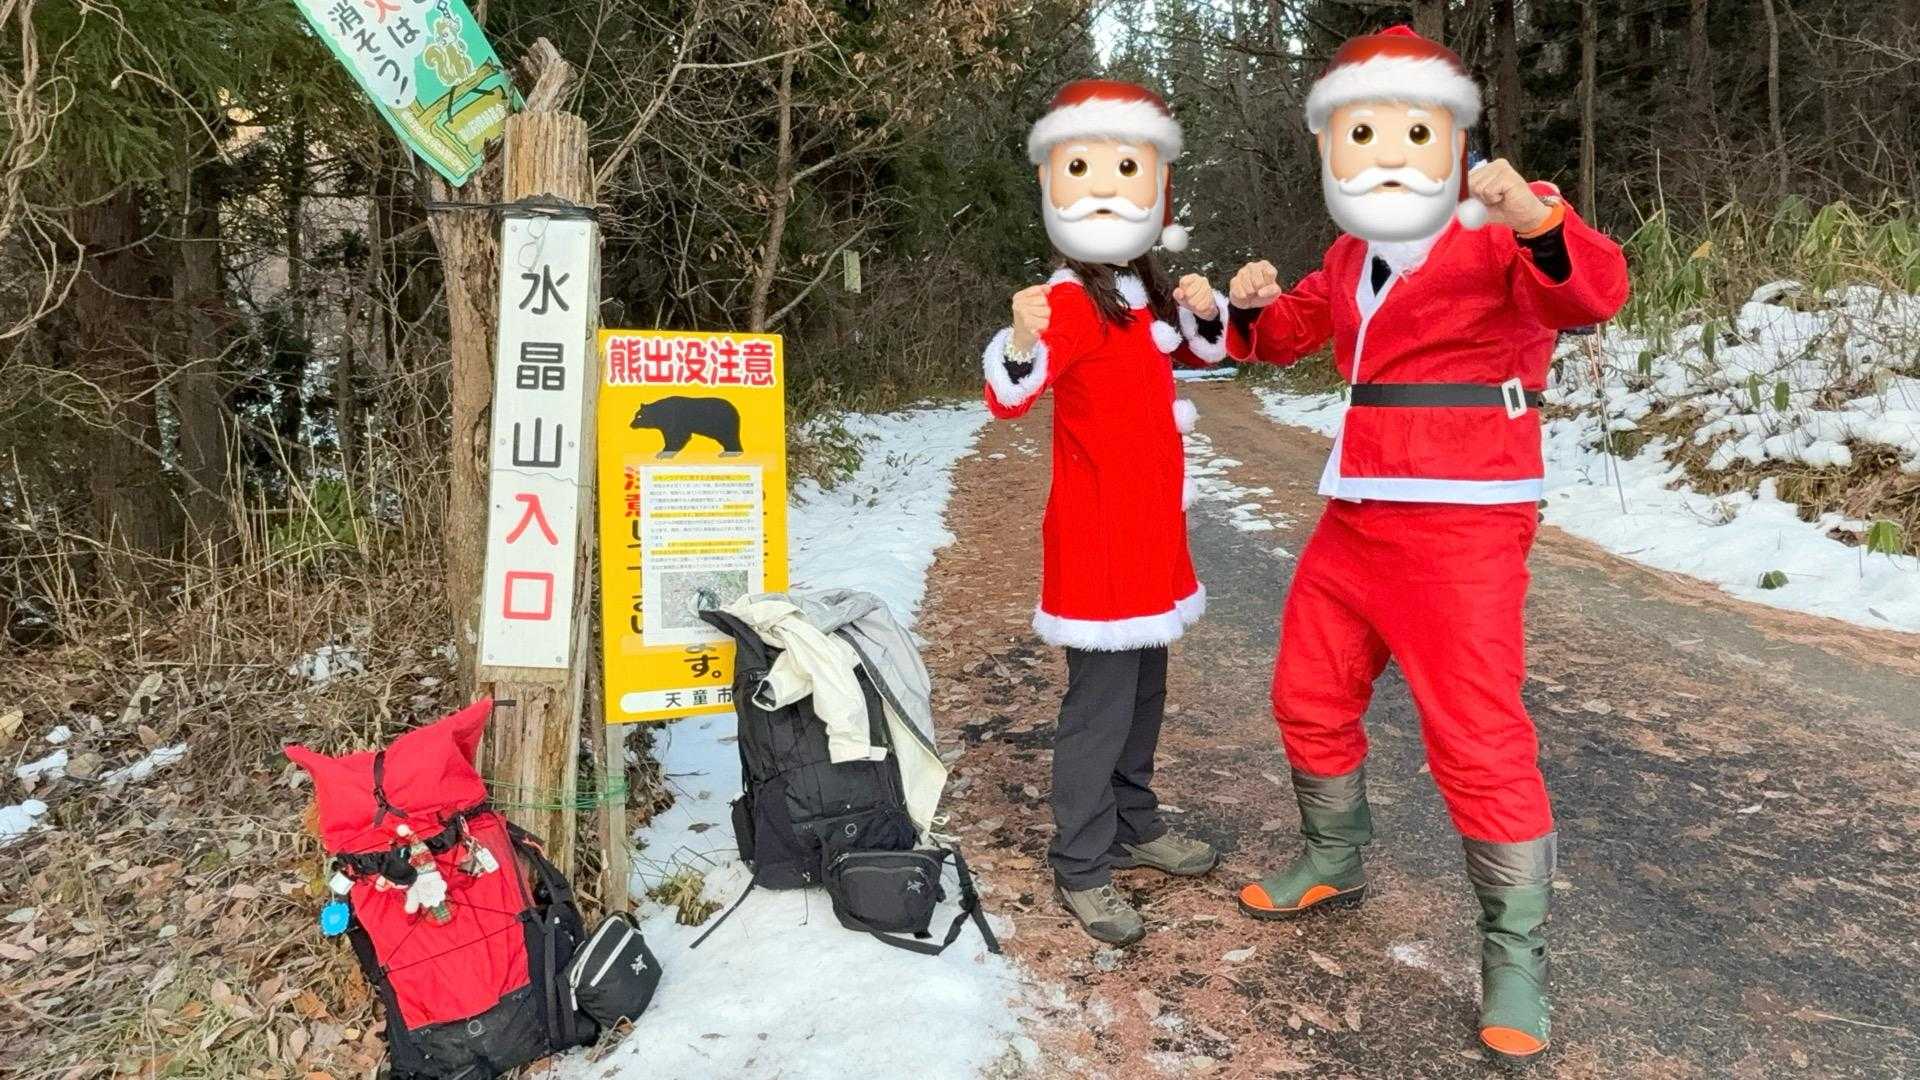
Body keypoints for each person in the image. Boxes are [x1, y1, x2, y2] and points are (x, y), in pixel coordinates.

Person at [1222, 26, 1630, 1062]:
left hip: (1465, 520)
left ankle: (1516, 956)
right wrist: (1245, 305)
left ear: (1454, 137)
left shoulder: (1501, 226)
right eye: (1360, 133)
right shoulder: (1351, 253)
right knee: (1306, 693)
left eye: (1414, 129)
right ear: (1332, 149)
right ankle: (1333, 858)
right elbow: (1283, 336)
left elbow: (1590, 293)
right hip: (1354, 512)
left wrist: (1537, 216)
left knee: (1477, 739)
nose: (1388, 153)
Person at [982, 79, 1229, 946]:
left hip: (1149, 537)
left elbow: (1202, 354)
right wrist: (1020, 338)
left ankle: (1134, 823)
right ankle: (1082, 862)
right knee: (1099, 707)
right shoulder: (1070, 300)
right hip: (1097, 544)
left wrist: (1206, 310)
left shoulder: (1134, 291)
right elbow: (1011, 396)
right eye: (1082, 169)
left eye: (1127, 170)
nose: (1105, 190)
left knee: (1145, 692)